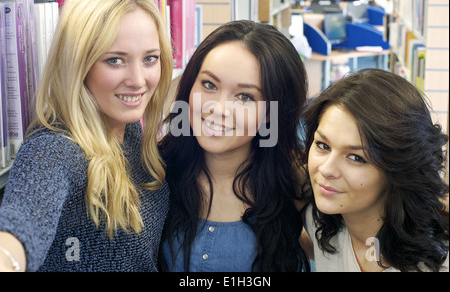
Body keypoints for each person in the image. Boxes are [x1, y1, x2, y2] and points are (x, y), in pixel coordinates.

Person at [0, 0, 173, 271]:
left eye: (150, 58)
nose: (138, 81)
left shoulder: (126, 127)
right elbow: (20, 225)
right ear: (79, 64)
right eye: (115, 60)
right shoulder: (54, 149)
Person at [158, 20, 310, 272]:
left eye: (245, 97)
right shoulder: (154, 173)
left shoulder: (296, 185)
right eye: (209, 85)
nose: (218, 109)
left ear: (272, 113)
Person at [301, 68, 449, 272]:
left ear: (397, 169)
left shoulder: (437, 263)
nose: (326, 169)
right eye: (323, 146)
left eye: (356, 158)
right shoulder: (319, 220)